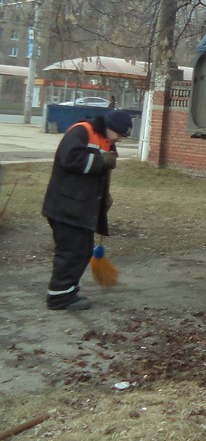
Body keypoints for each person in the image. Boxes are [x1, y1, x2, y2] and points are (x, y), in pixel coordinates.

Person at [42, 109, 134, 311]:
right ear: (110, 127)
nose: (119, 139)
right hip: (66, 207)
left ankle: (68, 291)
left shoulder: (105, 141)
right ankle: (59, 297)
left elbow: (98, 175)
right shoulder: (82, 131)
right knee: (71, 251)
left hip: (80, 208)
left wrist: (104, 198)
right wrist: (101, 161)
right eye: (119, 134)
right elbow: (70, 160)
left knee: (81, 251)